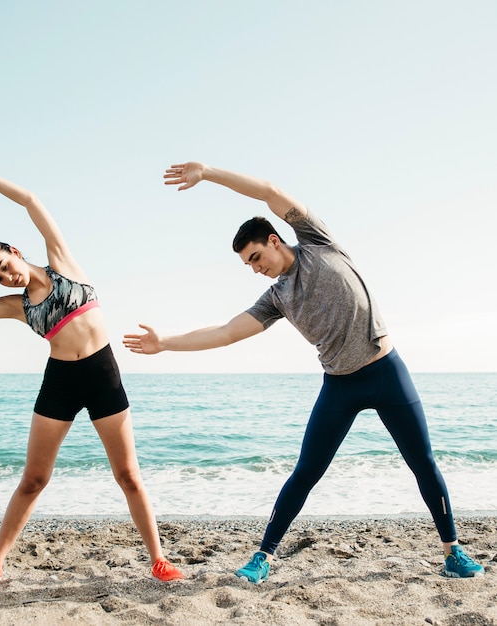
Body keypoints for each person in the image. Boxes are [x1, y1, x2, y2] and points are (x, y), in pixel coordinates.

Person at [123, 161, 485, 583]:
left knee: (422, 462)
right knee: (306, 472)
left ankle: (452, 551)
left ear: (275, 241)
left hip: (386, 371)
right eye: (248, 265)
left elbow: (270, 190)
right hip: (340, 386)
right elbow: (225, 332)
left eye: (256, 257)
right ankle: (263, 556)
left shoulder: (318, 243)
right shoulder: (276, 298)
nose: (256, 268)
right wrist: (166, 342)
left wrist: (207, 173)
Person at [0, 168, 184, 590]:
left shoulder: (61, 261)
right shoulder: (16, 306)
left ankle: (158, 560)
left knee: (128, 476)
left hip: (103, 374)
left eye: (6, 266)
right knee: (34, 478)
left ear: (14, 251)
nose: (8, 277)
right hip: (61, 381)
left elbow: (29, 199)